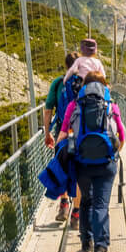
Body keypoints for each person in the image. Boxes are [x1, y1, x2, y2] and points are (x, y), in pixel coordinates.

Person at [56, 72, 125, 252]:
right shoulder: (111, 106)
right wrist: (113, 155)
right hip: (106, 164)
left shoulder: (73, 106)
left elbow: (62, 136)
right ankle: (101, 249)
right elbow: (121, 137)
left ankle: (86, 244)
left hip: (82, 163)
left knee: (86, 200)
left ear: (84, 87)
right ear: (104, 87)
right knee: (101, 204)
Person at [43, 53, 82, 226]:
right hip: (80, 134)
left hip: (63, 133)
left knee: (63, 166)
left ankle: (64, 204)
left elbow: (48, 109)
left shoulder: (59, 83)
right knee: (79, 171)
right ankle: (76, 213)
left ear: (66, 66)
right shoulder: (85, 82)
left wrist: (47, 133)